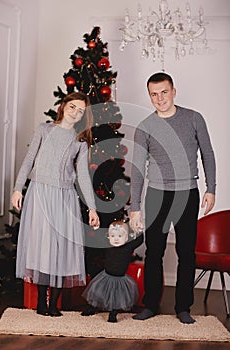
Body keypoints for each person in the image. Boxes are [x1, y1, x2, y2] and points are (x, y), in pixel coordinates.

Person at [129, 72, 216, 324]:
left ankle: (183, 307)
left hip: (187, 193)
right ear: (150, 96)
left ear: (174, 91)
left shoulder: (193, 119)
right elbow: (136, 168)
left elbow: (207, 154)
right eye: (154, 94)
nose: (160, 98)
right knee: (153, 252)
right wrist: (135, 207)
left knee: (186, 252)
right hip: (156, 194)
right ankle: (150, 306)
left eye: (164, 92)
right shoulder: (145, 126)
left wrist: (211, 188)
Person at [11, 91, 100, 317]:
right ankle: (42, 302)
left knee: (61, 248)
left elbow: (83, 176)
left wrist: (92, 208)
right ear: (63, 106)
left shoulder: (80, 141)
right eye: (73, 107)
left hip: (65, 197)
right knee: (42, 246)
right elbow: (29, 160)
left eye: (81, 111)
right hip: (39, 193)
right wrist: (16, 189)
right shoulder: (44, 129)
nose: (75, 113)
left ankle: (54, 305)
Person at [81, 220, 143, 322]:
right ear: (109, 237)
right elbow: (98, 238)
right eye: (113, 236)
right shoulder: (107, 245)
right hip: (106, 276)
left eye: (120, 236)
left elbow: (139, 240)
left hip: (120, 279)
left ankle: (113, 313)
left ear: (126, 238)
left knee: (116, 298)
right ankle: (92, 307)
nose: (116, 239)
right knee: (97, 292)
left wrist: (139, 230)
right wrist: (96, 229)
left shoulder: (128, 247)